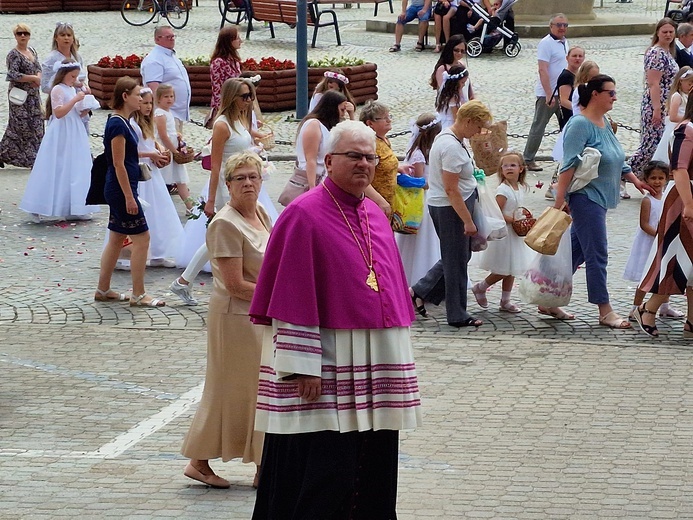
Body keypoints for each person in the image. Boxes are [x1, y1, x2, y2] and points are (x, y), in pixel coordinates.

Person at [249, 120, 422, 518]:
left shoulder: (376, 214)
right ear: (329, 160)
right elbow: (292, 297)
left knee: (371, 465)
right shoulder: (303, 215)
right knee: (323, 471)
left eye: (370, 157)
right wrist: (301, 367)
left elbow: (389, 293)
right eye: (354, 156)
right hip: (326, 368)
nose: (364, 164)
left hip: (373, 369)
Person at [181, 151, 271, 489]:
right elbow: (234, 284)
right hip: (235, 318)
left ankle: (204, 460)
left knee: (246, 390)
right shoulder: (224, 223)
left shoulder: (261, 212)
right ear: (228, 185)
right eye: (240, 178)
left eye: (253, 177)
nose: (248, 183)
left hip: (259, 313)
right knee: (245, 390)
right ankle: (258, 466)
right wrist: (277, 296)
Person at [552, 75, 653, 328]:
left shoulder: (604, 122)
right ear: (595, 94)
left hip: (601, 197)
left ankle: (548, 297)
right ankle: (604, 309)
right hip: (586, 197)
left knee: (574, 253)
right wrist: (560, 198)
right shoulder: (579, 124)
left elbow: (616, 155)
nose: (615, 97)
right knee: (597, 254)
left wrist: (635, 180)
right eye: (611, 93)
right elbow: (569, 163)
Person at [172, 79, 278, 305]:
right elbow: (216, 165)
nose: (248, 100)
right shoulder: (222, 125)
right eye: (244, 96)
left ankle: (184, 280)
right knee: (222, 235)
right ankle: (185, 280)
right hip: (226, 186)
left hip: (243, 182)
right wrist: (211, 200)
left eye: (250, 96)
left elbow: (246, 139)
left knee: (224, 236)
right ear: (232, 97)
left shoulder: (240, 119)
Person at [410, 100, 493, 328]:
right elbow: (451, 189)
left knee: (457, 257)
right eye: (478, 127)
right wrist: (467, 220)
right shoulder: (451, 147)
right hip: (450, 209)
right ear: (468, 121)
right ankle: (457, 314)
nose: (479, 132)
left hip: (451, 205)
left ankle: (419, 291)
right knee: (455, 261)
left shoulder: (454, 140)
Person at [95, 76, 165, 307]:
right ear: (125, 97)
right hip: (120, 189)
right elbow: (118, 163)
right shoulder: (117, 123)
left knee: (116, 238)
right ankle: (138, 293)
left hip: (120, 188)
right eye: (137, 95)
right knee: (142, 238)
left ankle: (103, 289)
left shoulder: (124, 122)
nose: (141, 99)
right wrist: (128, 196)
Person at [636, 95, 693, 338]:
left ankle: (691, 321)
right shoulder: (686, 129)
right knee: (677, 259)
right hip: (684, 197)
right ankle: (648, 309)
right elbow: (679, 168)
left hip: (686, 196)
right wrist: (689, 204)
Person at [19, 59, 96, 223]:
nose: (74, 79)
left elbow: (77, 112)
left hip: (74, 129)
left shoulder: (72, 89)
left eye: (76, 76)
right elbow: (59, 112)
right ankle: (38, 206)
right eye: (72, 76)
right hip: (61, 130)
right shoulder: (57, 89)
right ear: (63, 75)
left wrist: (86, 105)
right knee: (55, 165)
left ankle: (74, 206)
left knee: (75, 166)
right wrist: (75, 100)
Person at [471, 151, 534, 313]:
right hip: (504, 233)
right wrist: (513, 220)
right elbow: (496, 211)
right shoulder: (503, 190)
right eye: (505, 166)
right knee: (503, 269)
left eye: (513, 165)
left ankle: (505, 300)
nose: (509, 168)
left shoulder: (518, 187)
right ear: (501, 170)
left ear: (521, 169)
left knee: (511, 268)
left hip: (515, 234)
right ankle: (481, 287)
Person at [624, 161, 683, 321]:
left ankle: (664, 306)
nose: (657, 182)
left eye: (660, 178)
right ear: (646, 179)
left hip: (663, 241)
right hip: (649, 243)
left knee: (665, 273)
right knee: (646, 275)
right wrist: (658, 235)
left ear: (667, 179)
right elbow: (644, 224)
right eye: (653, 178)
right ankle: (635, 307)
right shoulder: (647, 201)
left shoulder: (667, 198)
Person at [130, 87, 182, 267]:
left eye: (150, 103)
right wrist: (151, 154)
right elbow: (131, 151)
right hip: (141, 174)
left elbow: (151, 141)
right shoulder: (132, 124)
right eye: (144, 103)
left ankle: (159, 251)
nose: (148, 106)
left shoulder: (146, 123)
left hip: (153, 174)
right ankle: (135, 252)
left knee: (159, 211)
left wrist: (159, 149)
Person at [278, 90, 349, 207]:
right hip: (313, 178)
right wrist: (312, 189)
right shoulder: (313, 124)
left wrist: (351, 114)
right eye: (341, 110)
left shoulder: (327, 126)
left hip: (324, 178)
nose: (343, 114)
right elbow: (310, 159)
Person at [628, 18, 679, 178]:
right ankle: (623, 173)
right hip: (655, 104)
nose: (668, 35)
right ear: (658, 33)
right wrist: (657, 109)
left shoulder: (668, 52)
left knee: (657, 145)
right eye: (665, 32)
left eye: (671, 32)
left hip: (665, 102)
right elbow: (653, 83)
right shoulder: (656, 53)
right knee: (649, 145)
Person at [396, 113, 443, 286]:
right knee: (424, 241)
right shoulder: (418, 156)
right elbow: (421, 181)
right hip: (422, 200)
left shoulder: (426, 151)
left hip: (429, 196)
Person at [522, 13, 569, 172]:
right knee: (539, 127)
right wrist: (549, 93)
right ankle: (528, 159)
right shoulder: (546, 43)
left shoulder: (564, 42)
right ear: (551, 26)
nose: (562, 28)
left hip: (563, 93)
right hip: (548, 93)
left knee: (568, 126)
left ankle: (568, 157)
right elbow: (543, 69)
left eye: (565, 25)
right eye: (559, 25)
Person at [0, 24, 43, 168]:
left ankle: (36, 156)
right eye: (19, 34)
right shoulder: (13, 54)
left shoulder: (32, 51)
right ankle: (14, 155)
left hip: (33, 96)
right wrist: (32, 78)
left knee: (36, 124)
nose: (23, 36)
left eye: (25, 33)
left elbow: (38, 68)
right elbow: (13, 75)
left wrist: (38, 77)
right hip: (20, 96)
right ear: (15, 36)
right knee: (21, 126)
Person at [360, 100, 414, 215]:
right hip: (376, 204)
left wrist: (398, 168)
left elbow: (383, 163)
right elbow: (362, 179)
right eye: (384, 118)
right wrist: (380, 201)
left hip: (389, 201)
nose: (389, 120)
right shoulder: (370, 145)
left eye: (389, 116)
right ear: (370, 123)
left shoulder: (384, 139)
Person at [154, 84, 193, 212]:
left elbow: (170, 132)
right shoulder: (159, 114)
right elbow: (163, 135)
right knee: (163, 179)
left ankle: (190, 206)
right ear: (158, 99)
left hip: (173, 149)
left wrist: (177, 135)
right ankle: (160, 208)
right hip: (166, 151)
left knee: (180, 179)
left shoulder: (168, 112)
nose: (169, 99)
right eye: (166, 96)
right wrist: (174, 151)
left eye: (171, 96)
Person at [141, 26, 191, 125]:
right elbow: (154, 88)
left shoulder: (171, 56)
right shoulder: (154, 59)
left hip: (177, 114)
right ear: (157, 39)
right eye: (168, 37)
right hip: (166, 115)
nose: (172, 39)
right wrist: (163, 112)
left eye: (173, 36)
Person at [652, 66, 693, 164]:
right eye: (689, 84)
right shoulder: (677, 96)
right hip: (676, 128)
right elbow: (673, 117)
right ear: (681, 81)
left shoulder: (688, 96)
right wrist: (688, 118)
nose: (691, 86)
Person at [208, 26, 242, 127]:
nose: (241, 41)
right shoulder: (219, 62)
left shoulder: (234, 61)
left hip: (236, 105)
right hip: (225, 107)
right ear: (229, 41)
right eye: (237, 38)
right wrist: (221, 111)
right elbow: (217, 89)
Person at [40, 22, 87, 95]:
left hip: (78, 99)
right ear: (56, 38)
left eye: (69, 35)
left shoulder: (77, 57)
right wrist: (69, 84)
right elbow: (45, 87)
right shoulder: (50, 59)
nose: (66, 38)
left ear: (73, 38)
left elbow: (81, 80)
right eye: (62, 35)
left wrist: (85, 87)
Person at [435, 65, 471, 129]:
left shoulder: (446, 92)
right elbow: (456, 117)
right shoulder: (452, 97)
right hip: (449, 125)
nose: (464, 84)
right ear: (455, 82)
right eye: (462, 82)